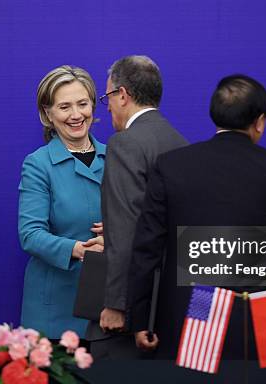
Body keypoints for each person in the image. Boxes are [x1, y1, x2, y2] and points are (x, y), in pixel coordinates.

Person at [127, 74, 266, 358]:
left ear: (215, 116)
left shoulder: (171, 166)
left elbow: (147, 248)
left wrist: (140, 319)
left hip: (194, 308)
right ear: (260, 121)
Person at [84, 55, 188, 359]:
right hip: (168, 302)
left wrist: (117, 303)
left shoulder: (124, 143)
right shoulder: (180, 142)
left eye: (107, 98)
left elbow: (127, 228)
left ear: (122, 95)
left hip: (131, 311)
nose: (110, 108)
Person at [19, 65, 105, 339]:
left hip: (107, 309)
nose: (76, 115)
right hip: (54, 313)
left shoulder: (118, 156)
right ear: (48, 114)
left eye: (83, 104)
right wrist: (78, 249)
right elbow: (30, 235)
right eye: (65, 107)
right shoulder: (38, 164)